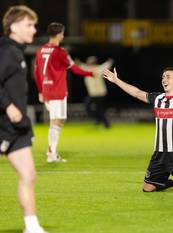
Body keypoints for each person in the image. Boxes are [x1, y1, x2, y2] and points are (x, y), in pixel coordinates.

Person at [0, 5, 48, 233]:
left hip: (16, 127)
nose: (34, 29)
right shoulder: (6, 51)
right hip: (3, 125)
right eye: (29, 24)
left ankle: (32, 227)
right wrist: (8, 105)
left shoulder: (17, 52)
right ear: (14, 26)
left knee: (28, 174)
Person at [34, 22, 93, 163]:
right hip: (57, 90)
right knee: (56, 121)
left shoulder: (40, 50)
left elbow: (36, 72)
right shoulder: (60, 52)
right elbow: (74, 69)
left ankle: (52, 152)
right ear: (60, 34)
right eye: (62, 33)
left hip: (47, 90)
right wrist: (91, 73)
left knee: (58, 120)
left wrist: (40, 91)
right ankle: (51, 153)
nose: (63, 35)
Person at [79, 56, 113, 128]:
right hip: (93, 93)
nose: (89, 63)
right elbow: (79, 65)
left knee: (98, 110)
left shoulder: (99, 68)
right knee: (88, 107)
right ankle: (99, 120)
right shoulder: (87, 68)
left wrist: (109, 61)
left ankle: (106, 124)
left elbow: (106, 65)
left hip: (100, 93)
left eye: (90, 62)